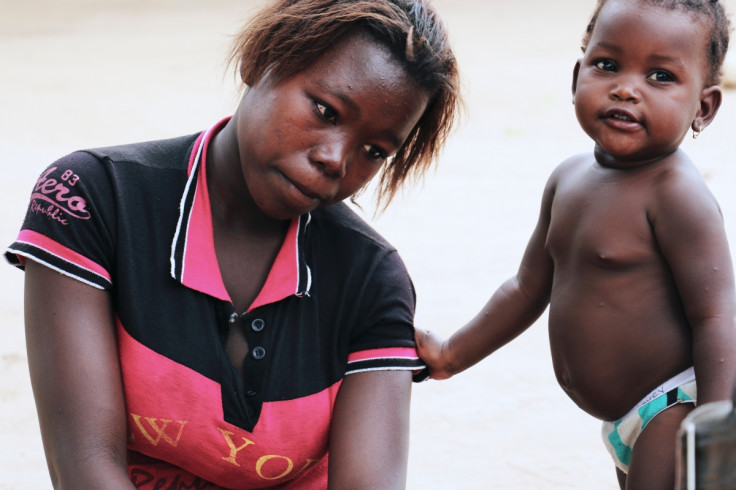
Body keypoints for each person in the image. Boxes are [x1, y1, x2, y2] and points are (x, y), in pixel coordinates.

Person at [4, 0, 460, 488]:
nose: (335, 159)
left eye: (374, 151)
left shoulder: (370, 277)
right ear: (259, 61)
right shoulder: (95, 197)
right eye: (326, 110)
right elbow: (85, 463)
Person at [415, 0, 736, 489]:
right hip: (623, 417)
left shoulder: (677, 195)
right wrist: (452, 354)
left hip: (674, 407)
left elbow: (716, 315)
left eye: (661, 77)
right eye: (606, 65)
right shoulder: (567, 179)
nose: (626, 88)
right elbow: (526, 288)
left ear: (704, 107)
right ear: (575, 78)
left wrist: (714, 430)